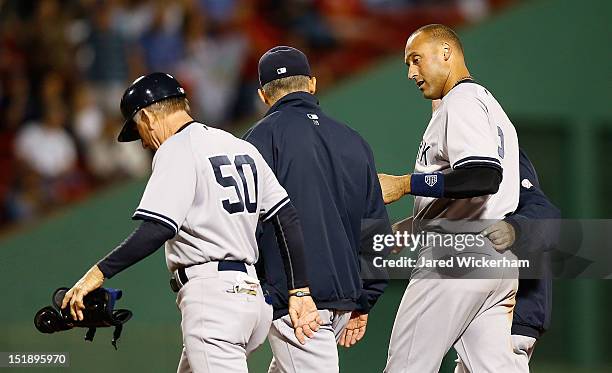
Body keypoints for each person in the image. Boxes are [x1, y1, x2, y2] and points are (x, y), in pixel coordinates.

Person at [61, 72, 321, 373]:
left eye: (138, 130)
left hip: (213, 301)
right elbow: (286, 218)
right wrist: (298, 288)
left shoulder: (176, 149)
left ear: (146, 116)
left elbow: (157, 228)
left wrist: (98, 273)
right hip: (251, 299)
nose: (143, 143)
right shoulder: (238, 145)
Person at [378, 24, 522, 372]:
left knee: (407, 366)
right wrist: (418, 223)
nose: (411, 72)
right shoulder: (489, 105)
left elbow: (482, 175)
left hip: (457, 255)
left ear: (446, 53)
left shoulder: (461, 102)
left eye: (416, 59)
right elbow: (476, 183)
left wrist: (405, 184)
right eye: (407, 64)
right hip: (496, 258)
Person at [243, 46, 391, 373]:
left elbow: (247, 226)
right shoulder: (354, 140)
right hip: (341, 301)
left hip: (296, 303)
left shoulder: (257, 141)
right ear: (312, 83)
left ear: (263, 95)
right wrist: (364, 297)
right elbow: (378, 231)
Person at [464, 148, 560, 372]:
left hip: (510, 315)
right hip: (482, 314)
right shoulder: (469, 160)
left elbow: (547, 215)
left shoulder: (501, 153)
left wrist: (516, 229)